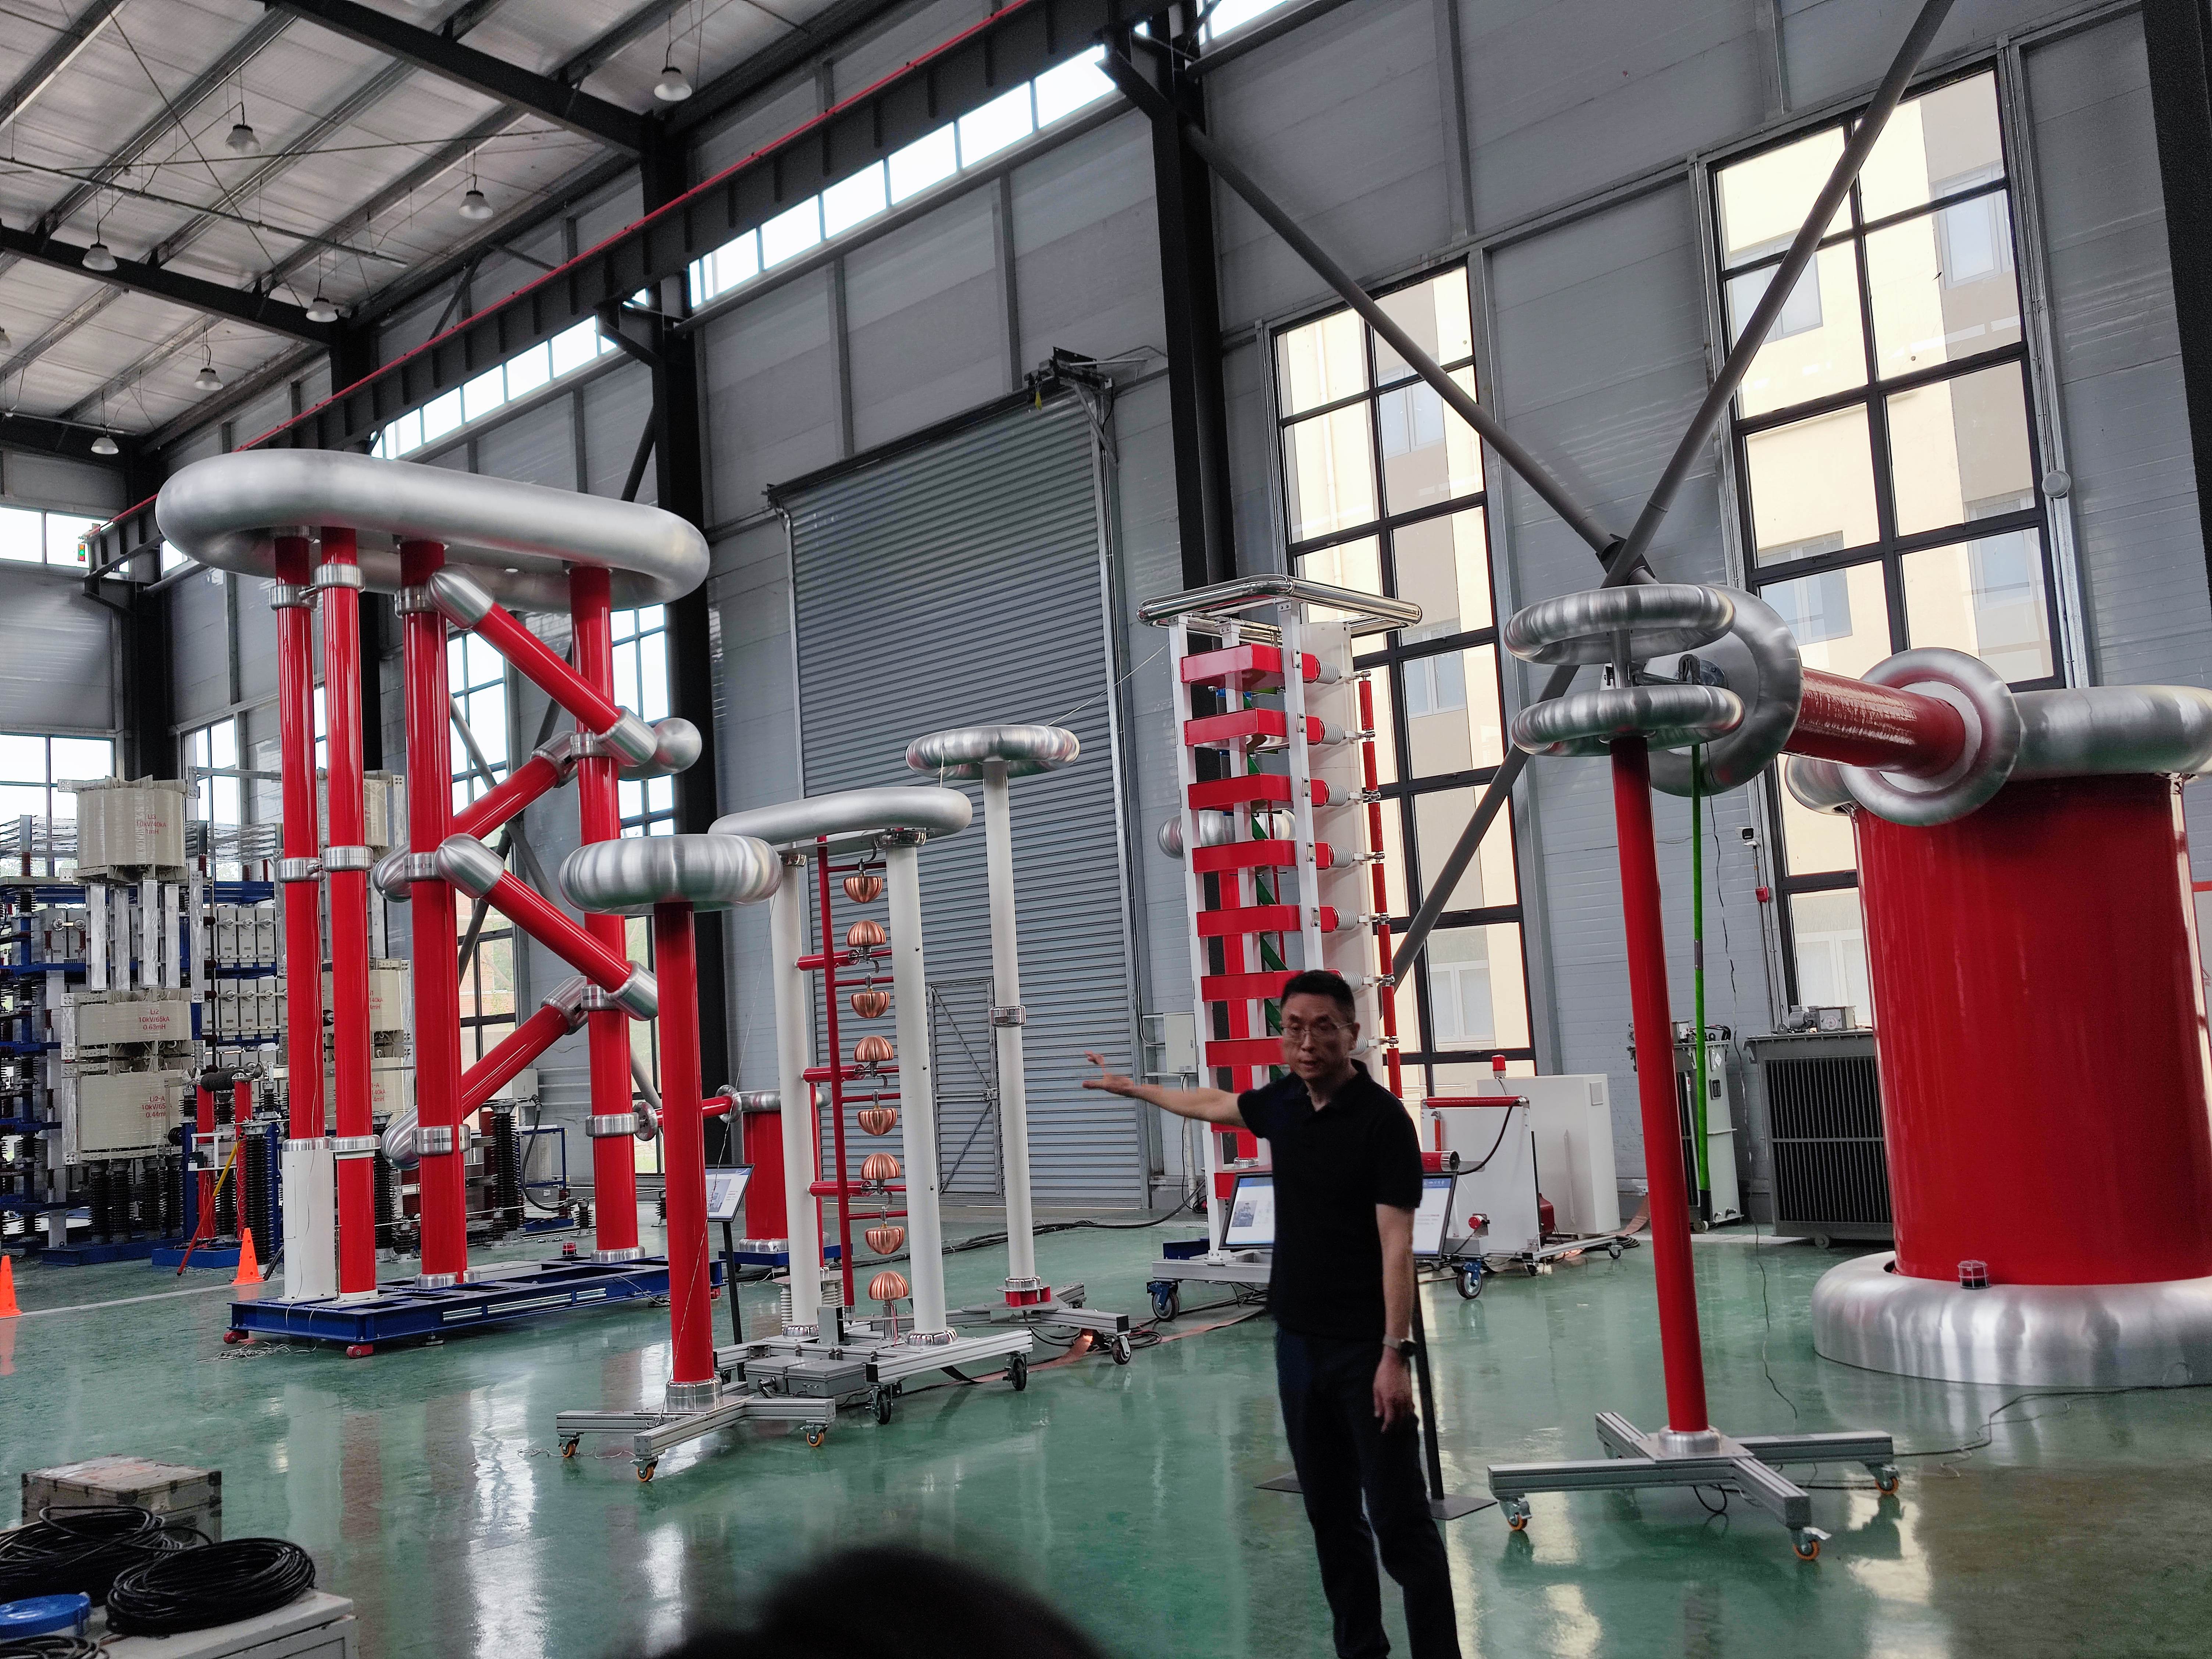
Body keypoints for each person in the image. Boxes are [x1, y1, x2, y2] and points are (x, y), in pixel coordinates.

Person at [1084, 968, 1460, 1659]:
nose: (1307, 1042)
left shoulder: (1383, 1122)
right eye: (1293, 1029)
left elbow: (1397, 1245)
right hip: (1299, 1345)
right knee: (1331, 1518)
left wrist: (1393, 1353)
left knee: (1400, 1521)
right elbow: (1215, 1103)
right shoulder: (1286, 1102)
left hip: (1366, 1350)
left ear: (1352, 1032)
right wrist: (1136, 1090)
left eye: (1323, 1028)